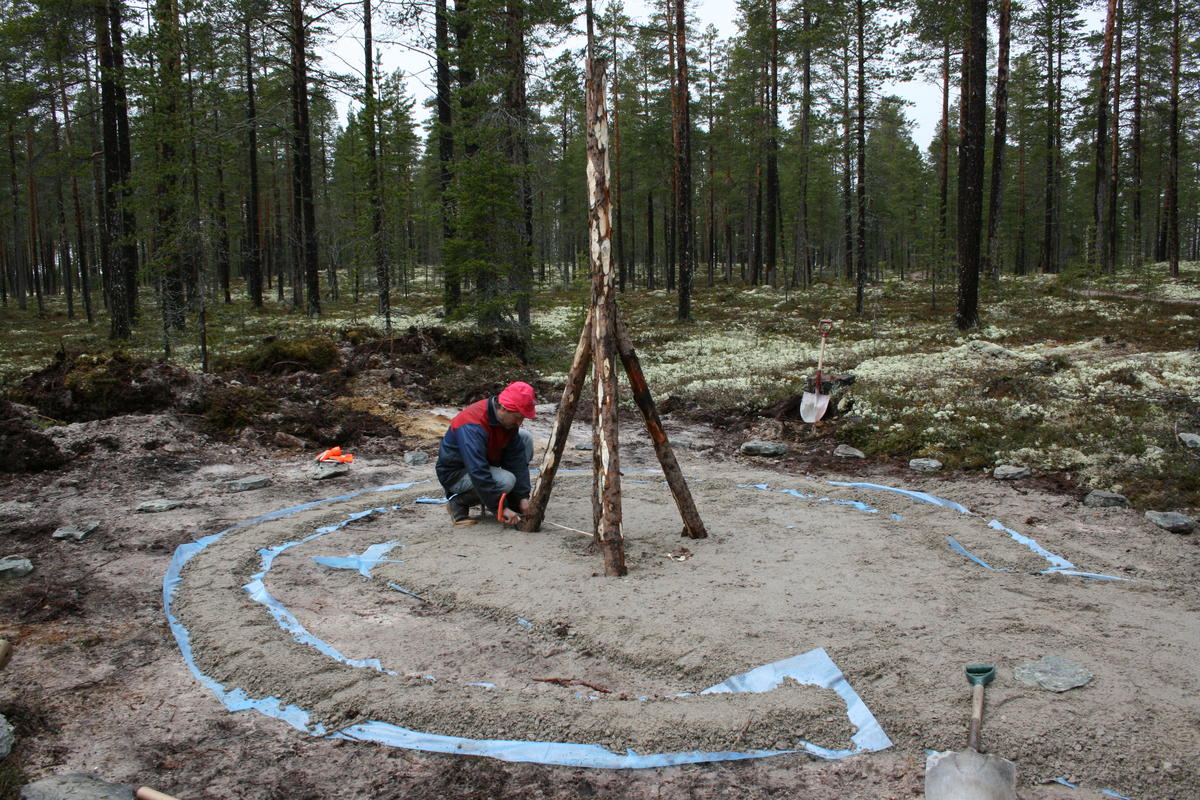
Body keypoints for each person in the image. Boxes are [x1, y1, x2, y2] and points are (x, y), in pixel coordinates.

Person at [436, 381, 536, 526]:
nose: (519, 423)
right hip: (455, 474)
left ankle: (513, 501)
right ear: (503, 408)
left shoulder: (506, 420)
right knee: (506, 481)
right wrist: (499, 508)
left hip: (483, 463)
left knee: (525, 438)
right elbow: (477, 470)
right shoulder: (472, 425)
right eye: (518, 417)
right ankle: (458, 502)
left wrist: (522, 498)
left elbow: (516, 460)